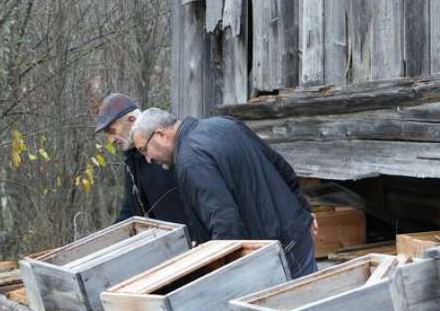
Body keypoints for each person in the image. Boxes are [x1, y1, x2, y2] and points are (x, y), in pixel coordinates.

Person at [129, 108, 318, 279]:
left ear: (161, 134)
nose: (148, 159)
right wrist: (304, 210)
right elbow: (281, 165)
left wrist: (222, 274)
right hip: (297, 234)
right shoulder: (225, 124)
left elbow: (225, 222)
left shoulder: (190, 161)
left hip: (274, 253)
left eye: (144, 150)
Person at [94, 94, 188, 226]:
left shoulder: (164, 150)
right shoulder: (132, 156)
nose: (111, 139)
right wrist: (109, 237)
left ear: (131, 119)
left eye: (112, 131)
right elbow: (133, 207)